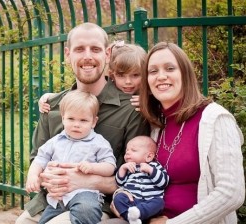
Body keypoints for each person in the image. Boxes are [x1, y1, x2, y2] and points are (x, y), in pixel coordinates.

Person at [16, 22, 150, 224]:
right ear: (68, 54)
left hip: (100, 205)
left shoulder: (131, 109)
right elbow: (37, 158)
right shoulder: (52, 107)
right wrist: (50, 178)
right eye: (80, 49)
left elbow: (134, 177)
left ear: (107, 54)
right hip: (51, 201)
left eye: (95, 49)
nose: (87, 56)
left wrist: (86, 181)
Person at [136, 42, 244, 223]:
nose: (161, 76)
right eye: (153, 71)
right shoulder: (158, 126)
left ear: (185, 74)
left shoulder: (215, 119)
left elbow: (231, 192)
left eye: (170, 68)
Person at [26, 90, 116, 224]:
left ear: (93, 122)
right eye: (71, 119)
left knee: (87, 209)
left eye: (83, 120)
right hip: (58, 198)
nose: (76, 124)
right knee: (44, 221)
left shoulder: (98, 142)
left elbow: (110, 166)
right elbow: (40, 159)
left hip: (85, 194)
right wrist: (33, 176)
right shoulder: (56, 141)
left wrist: (92, 167)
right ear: (63, 118)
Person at [38, 41, 146, 113]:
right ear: (112, 74)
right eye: (121, 75)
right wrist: (51, 97)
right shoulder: (108, 88)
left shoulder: (149, 94)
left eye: (135, 75)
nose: (128, 82)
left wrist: (148, 102)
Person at [111, 136, 169, 224]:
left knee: (159, 202)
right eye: (127, 150)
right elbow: (119, 183)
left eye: (133, 150)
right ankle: (130, 217)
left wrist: (150, 170)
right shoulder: (128, 167)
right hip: (132, 201)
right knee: (119, 197)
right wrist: (123, 168)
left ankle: (138, 214)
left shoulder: (155, 166)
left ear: (149, 156)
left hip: (150, 202)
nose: (127, 153)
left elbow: (163, 183)